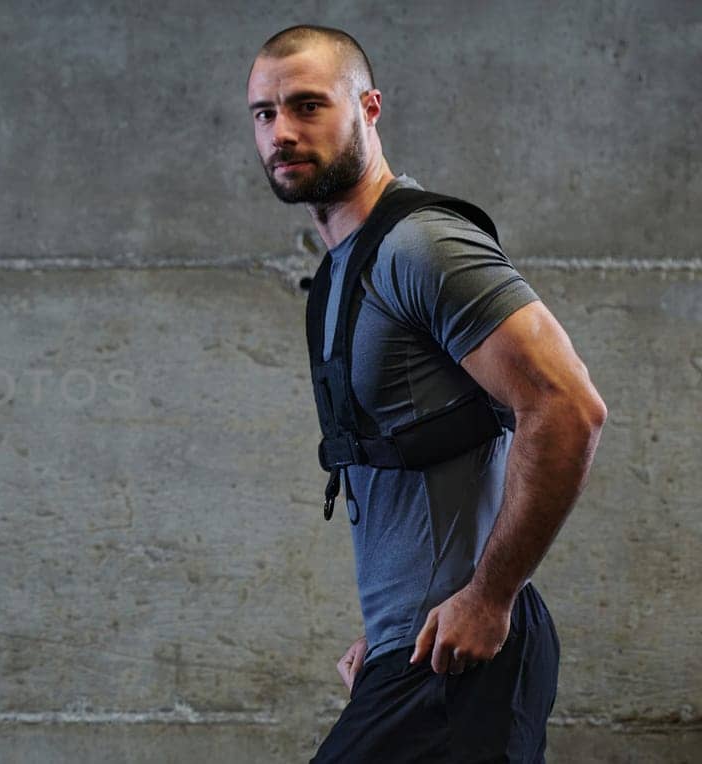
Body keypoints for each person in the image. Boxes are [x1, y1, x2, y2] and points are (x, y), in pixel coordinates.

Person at [245, 25, 608, 762]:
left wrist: (489, 596)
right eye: (264, 113)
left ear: (369, 108)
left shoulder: (422, 245)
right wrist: (385, 639)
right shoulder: (348, 266)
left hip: (466, 661)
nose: (282, 132)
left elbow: (568, 408)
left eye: (308, 106)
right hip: (414, 652)